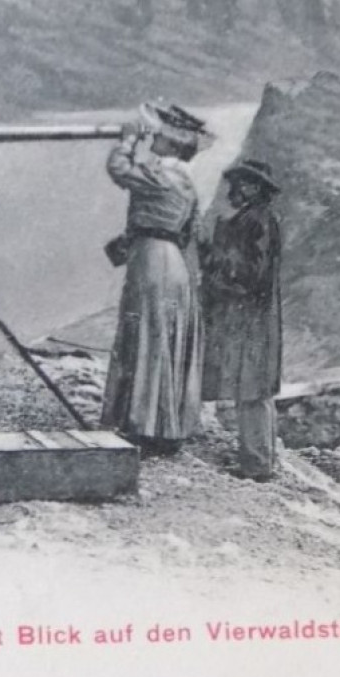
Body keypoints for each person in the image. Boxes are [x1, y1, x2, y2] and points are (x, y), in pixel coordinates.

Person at [99, 103, 211, 456]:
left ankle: (145, 425)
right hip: (169, 260)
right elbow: (192, 232)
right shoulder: (185, 182)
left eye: (159, 136)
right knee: (160, 336)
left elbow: (118, 169)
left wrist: (127, 140)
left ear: (174, 143)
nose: (154, 141)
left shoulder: (165, 176)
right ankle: (161, 423)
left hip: (152, 261)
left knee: (147, 333)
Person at [201, 159, 283, 482]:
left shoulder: (257, 221)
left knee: (252, 390)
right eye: (239, 182)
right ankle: (261, 458)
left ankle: (257, 464)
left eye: (247, 183)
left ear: (258, 188)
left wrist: (215, 268)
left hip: (251, 317)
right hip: (254, 316)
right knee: (255, 390)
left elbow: (251, 275)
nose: (239, 188)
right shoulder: (256, 218)